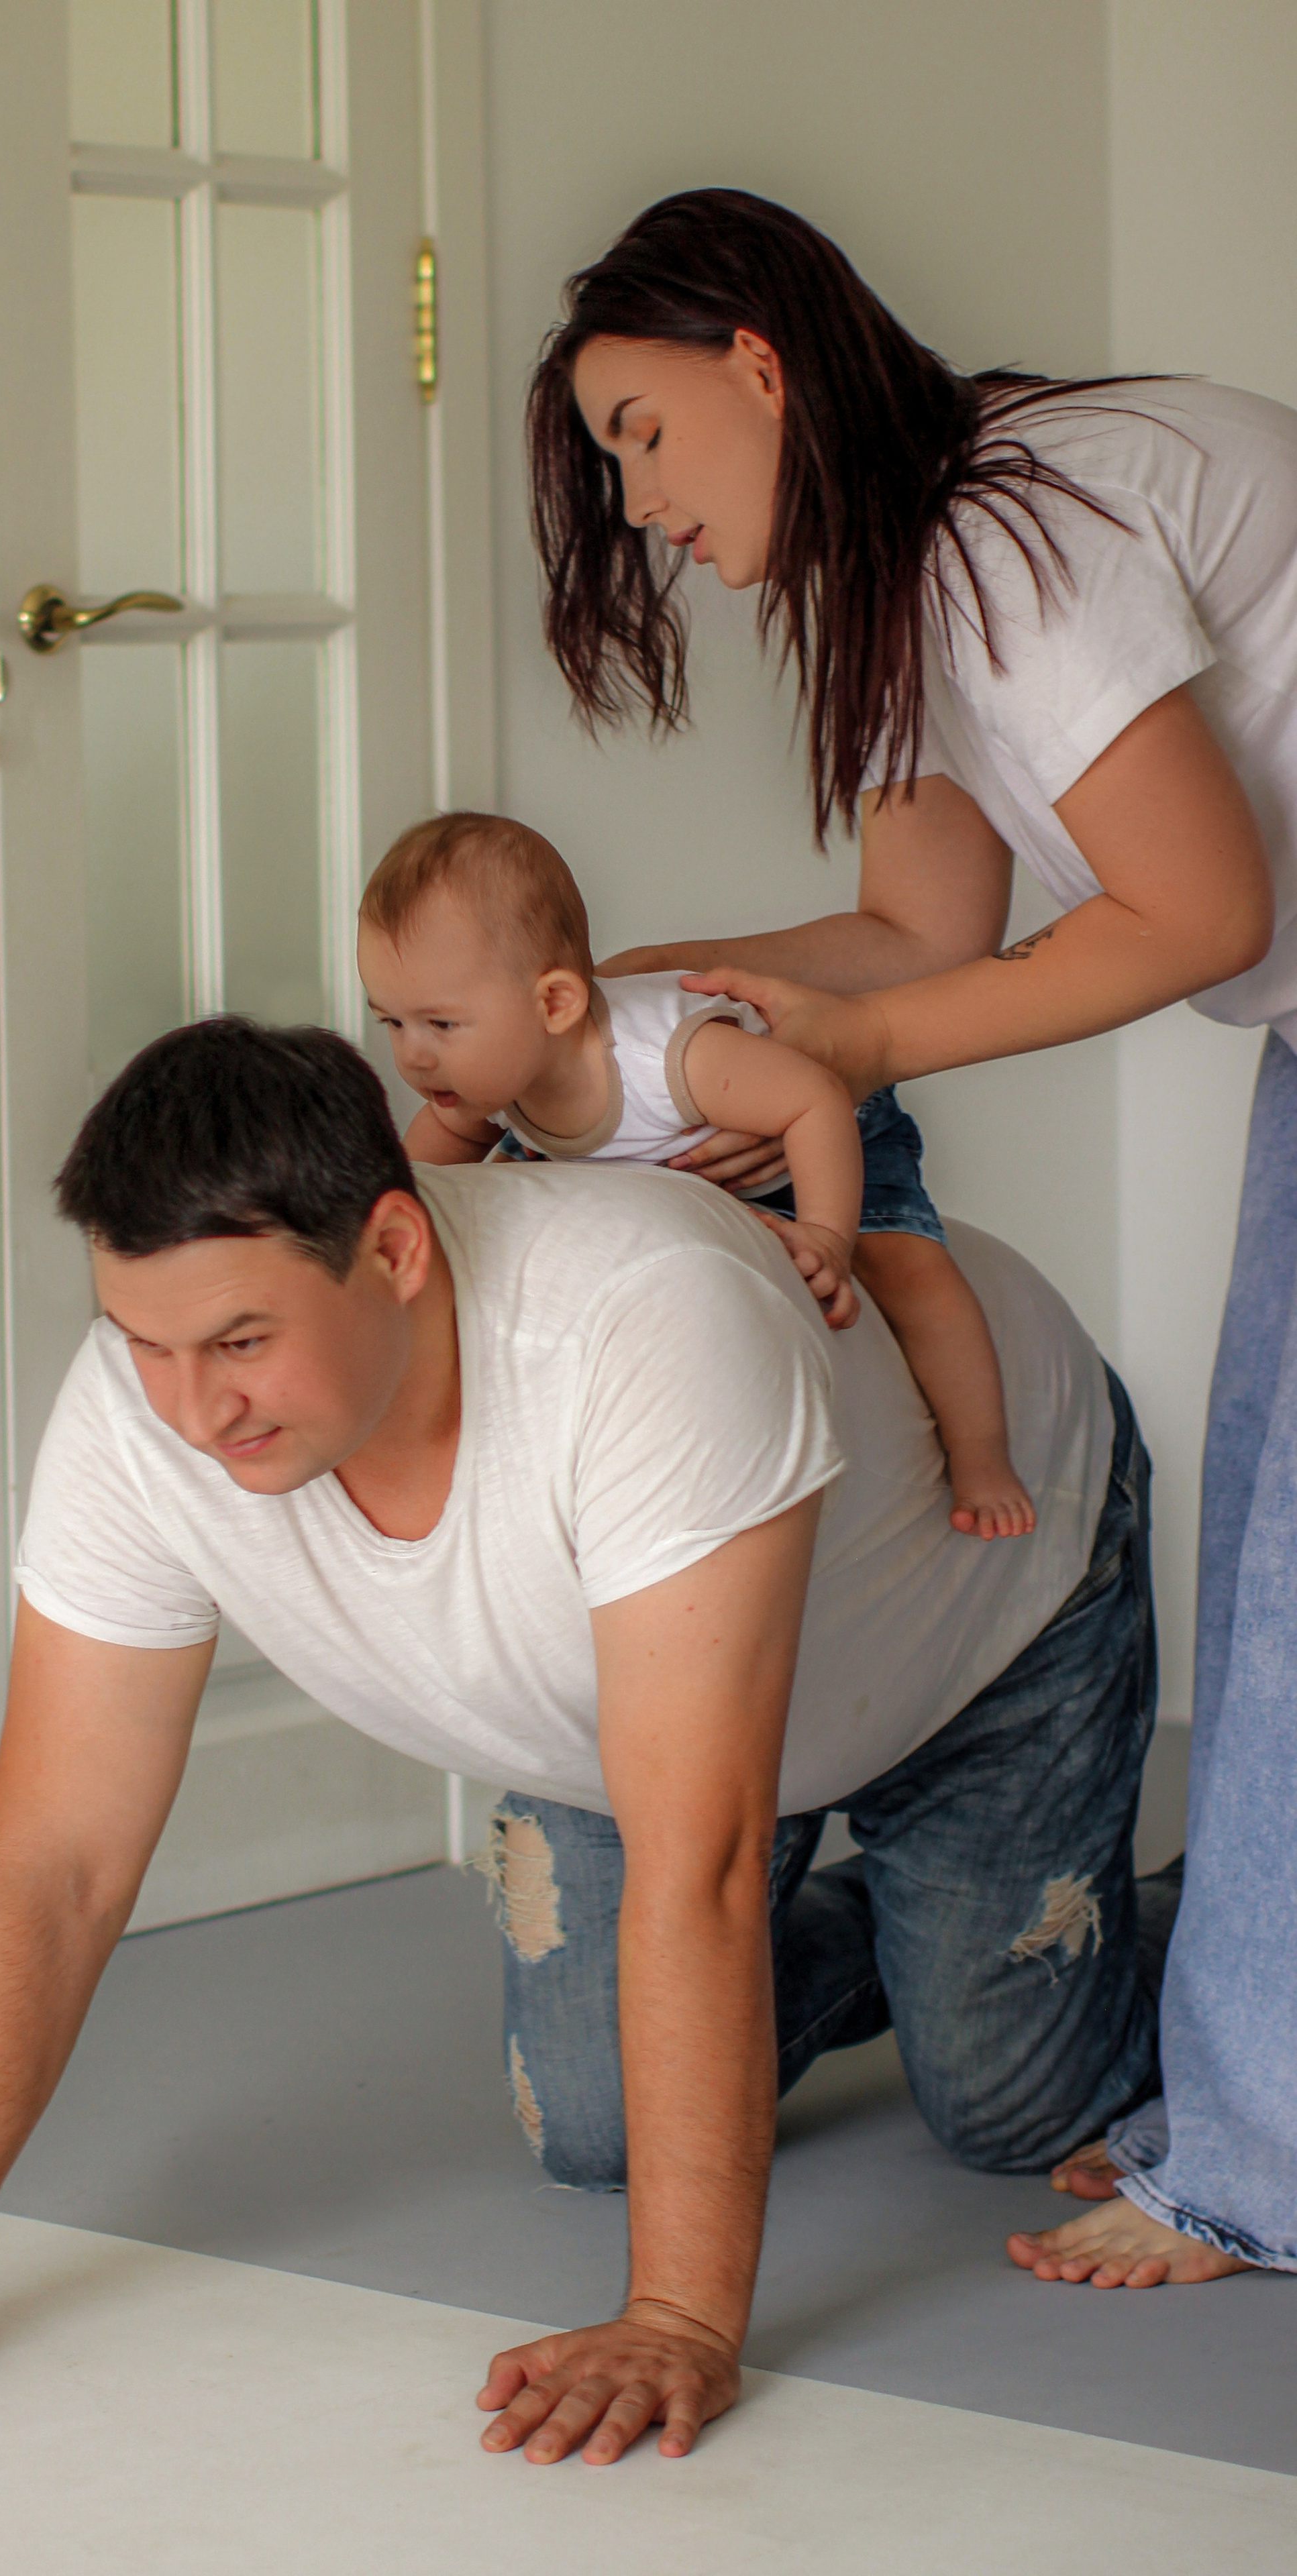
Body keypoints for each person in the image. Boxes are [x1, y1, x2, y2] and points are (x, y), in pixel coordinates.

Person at [0, 1020, 1166, 2461]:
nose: (189, 1408)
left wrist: (679, 2318)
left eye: (236, 1341)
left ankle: (1133, 1916)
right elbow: (52, 1859)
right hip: (649, 1705)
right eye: (144, 1344)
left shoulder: (641, 1320)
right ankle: (906, 1926)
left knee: (1004, 2103)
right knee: (592, 2127)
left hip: (980, 1607)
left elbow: (690, 1862)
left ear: (396, 1246)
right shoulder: (142, 1409)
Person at [526, 184, 1295, 2284]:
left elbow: (1198, 912)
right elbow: (911, 932)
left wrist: (855, 1033)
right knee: (1267, 1558)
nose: (641, 498)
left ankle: (1251, 2157)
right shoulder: (911, 583)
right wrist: (601, 1007)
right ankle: (1242, 2088)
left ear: (754, 366)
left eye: (642, 430)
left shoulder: (1003, 538)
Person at [360, 806, 1037, 1536]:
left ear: (554, 1003)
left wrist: (826, 1236)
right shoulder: (486, 1076)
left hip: (812, 1126)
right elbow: (414, 1178)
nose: (413, 1057)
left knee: (909, 1271)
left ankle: (983, 1459)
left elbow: (813, 1102)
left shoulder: (667, 1058)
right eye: (392, 1023)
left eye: (440, 1025)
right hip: (666, 1158)